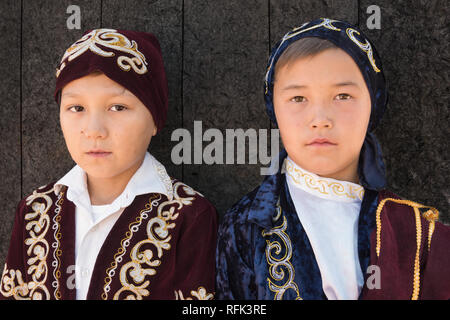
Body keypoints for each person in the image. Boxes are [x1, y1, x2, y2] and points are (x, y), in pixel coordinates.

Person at [216, 18, 450, 300]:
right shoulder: (245, 226)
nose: (320, 120)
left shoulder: (419, 233)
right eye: (299, 98)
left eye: (342, 95)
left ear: (372, 104)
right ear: (274, 108)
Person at [0, 28, 217, 300]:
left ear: (154, 120)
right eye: (76, 108)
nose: (94, 130)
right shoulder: (35, 211)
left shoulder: (189, 216)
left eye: (117, 107)